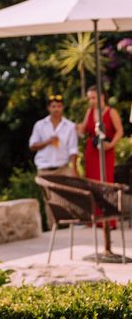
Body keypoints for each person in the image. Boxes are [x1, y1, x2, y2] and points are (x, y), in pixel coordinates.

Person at [78, 86, 124, 237]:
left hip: (106, 151)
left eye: (94, 97)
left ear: (102, 96)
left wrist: (111, 144)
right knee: (91, 183)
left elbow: (120, 131)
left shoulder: (111, 112)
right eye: (90, 98)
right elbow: (84, 129)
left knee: (106, 184)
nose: (91, 101)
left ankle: (108, 221)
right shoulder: (89, 112)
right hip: (92, 152)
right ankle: (94, 219)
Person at [28, 94, 79, 177]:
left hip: (63, 169)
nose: (56, 109)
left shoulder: (70, 126)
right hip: (44, 169)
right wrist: (48, 142)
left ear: (62, 108)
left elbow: (73, 150)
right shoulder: (40, 125)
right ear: (48, 108)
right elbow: (32, 146)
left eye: (59, 106)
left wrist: (74, 169)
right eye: (53, 106)